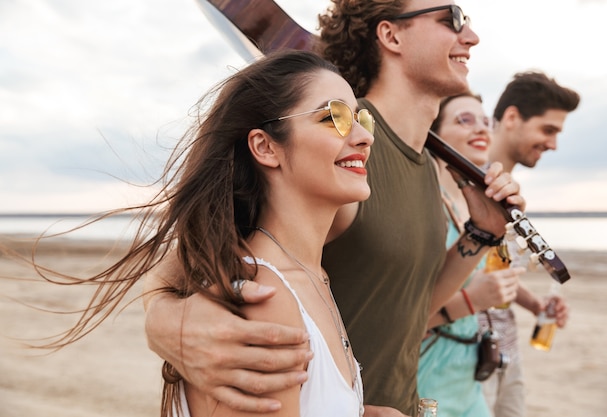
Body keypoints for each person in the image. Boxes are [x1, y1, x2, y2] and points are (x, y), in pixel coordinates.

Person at [143, 2, 526, 416]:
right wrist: (165, 320)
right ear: (390, 35)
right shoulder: (337, 153)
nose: (470, 36)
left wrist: (481, 234)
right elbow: (195, 253)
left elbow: (412, 305)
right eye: (450, 18)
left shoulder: (423, 165)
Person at [31, 50, 377, 417]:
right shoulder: (265, 295)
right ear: (265, 146)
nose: (363, 138)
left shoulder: (313, 278)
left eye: (362, 119)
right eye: (333, 117)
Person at [417, 92, 525, 417]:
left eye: (484, 121)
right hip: (428, 372)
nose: (480, 129)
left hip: (468, 376)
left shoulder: (469, 206)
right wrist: (472, 301)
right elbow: (398, 321)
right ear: (434, 134)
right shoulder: (424, 207)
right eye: (464, 120)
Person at [479, 70, 579, 417]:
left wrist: (535, 305)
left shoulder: (510, 192)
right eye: (548, 130)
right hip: (469, 359)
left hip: (508, 352)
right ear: (511, 118)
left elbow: (491, 270)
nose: (553, 144)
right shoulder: (466, 181)